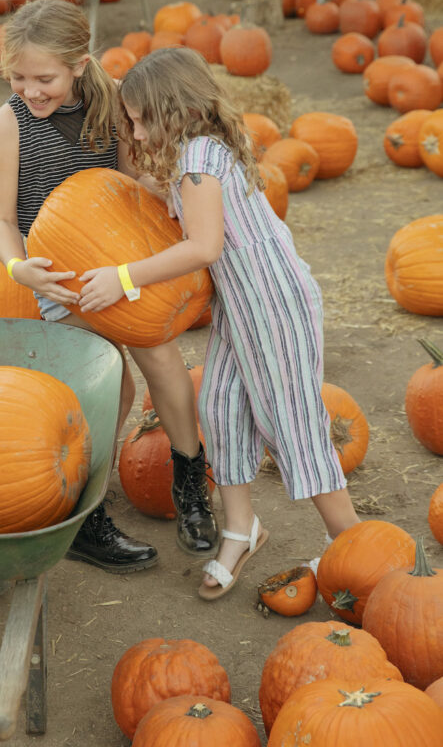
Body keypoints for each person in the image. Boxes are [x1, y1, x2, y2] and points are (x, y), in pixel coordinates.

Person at [78, 47, 361, 599]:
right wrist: (130, 188)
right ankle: (241, 528)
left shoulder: (200, 161)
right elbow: (184, 205)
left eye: (137, 119)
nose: (132, 132)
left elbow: (204, 247)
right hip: (243, 305)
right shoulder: (195, 154)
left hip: (274, 304)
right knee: (222, 407)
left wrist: (123, 276)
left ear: (171, 109)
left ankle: (351, 543)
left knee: (292, 424)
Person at [0, 0, 218, 575]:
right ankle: (85, 515)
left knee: (163, 359)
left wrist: (164, 193)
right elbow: (1, 221)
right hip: (61, 276)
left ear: (80, 65)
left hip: (120, 263)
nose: (31, 90)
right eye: (18, 77)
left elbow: (126, 175)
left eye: (45, 78)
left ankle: (191, 485)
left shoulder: (109, 103)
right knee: (105, 386)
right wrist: (20, 269)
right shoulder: (7, 125)